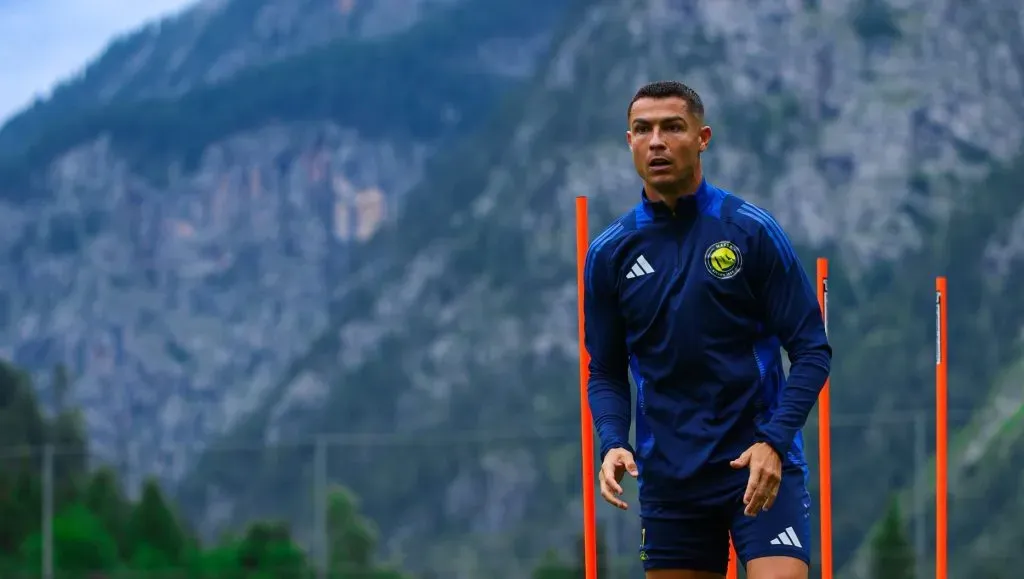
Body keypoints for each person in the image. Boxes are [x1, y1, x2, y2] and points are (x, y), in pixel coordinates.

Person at [584, 80, 832, 579]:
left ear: (702, 137)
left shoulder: (750, 230)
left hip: (758, 467)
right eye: (643, 129)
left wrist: (775, 441)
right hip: (670, 481)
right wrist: (613, 440)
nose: (657, 141)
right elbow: (606, 371)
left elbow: (811, 350)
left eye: (672, 127)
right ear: (628, 141)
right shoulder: (610, 252)